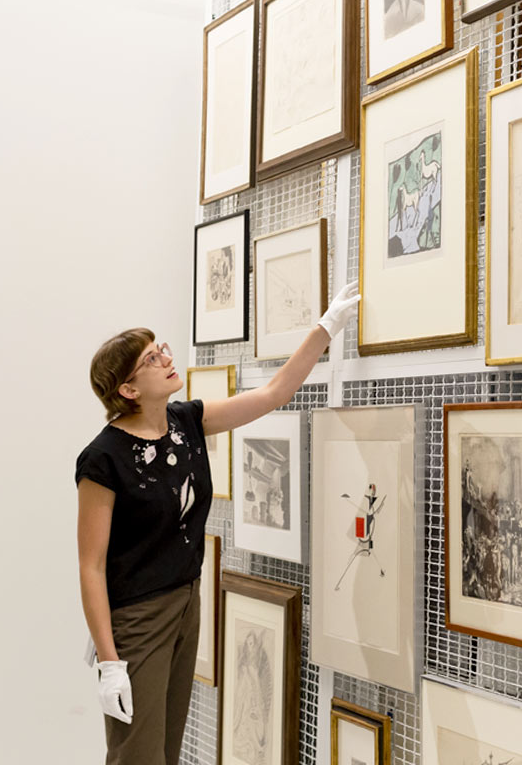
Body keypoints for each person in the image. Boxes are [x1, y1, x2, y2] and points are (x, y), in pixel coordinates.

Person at [75, 282, 360, 765]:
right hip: (138, 619)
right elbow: (91, 566)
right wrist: (109, 661)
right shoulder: (102, 459)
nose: (167, 358)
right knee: (136, 757)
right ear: (128, 389)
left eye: (161, 348)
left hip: (188, 602)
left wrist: (325, 327)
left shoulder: (187, 421)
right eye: (151, 359)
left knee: (166, 752)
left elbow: (273, 393)